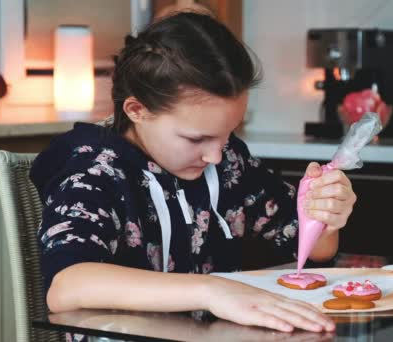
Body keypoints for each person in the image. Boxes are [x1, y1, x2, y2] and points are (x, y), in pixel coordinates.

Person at [30, 12, 356, 333]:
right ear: (137, 110)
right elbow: (67, 286)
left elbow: (313, 250)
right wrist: (210, 290)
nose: (215, 154)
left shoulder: (228, 163)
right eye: (196, 138)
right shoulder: (94, 170)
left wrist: (325, 216)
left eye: (228, 133)